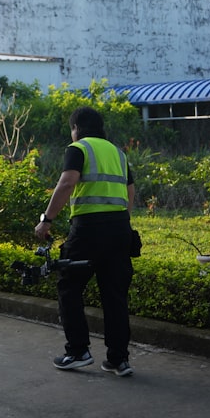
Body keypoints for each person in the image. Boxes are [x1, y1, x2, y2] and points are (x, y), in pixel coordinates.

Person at [34, 106, 136, 376]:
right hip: (119, 229)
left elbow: (67, 183)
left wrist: (47, 220)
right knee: (114, 295)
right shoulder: (118, 154)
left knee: (69, 287)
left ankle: (77, 351)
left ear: (76, 128)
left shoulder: (78, 149)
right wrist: (121, 223)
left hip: (88, 229)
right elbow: (130, 191)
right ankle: (118, 359)